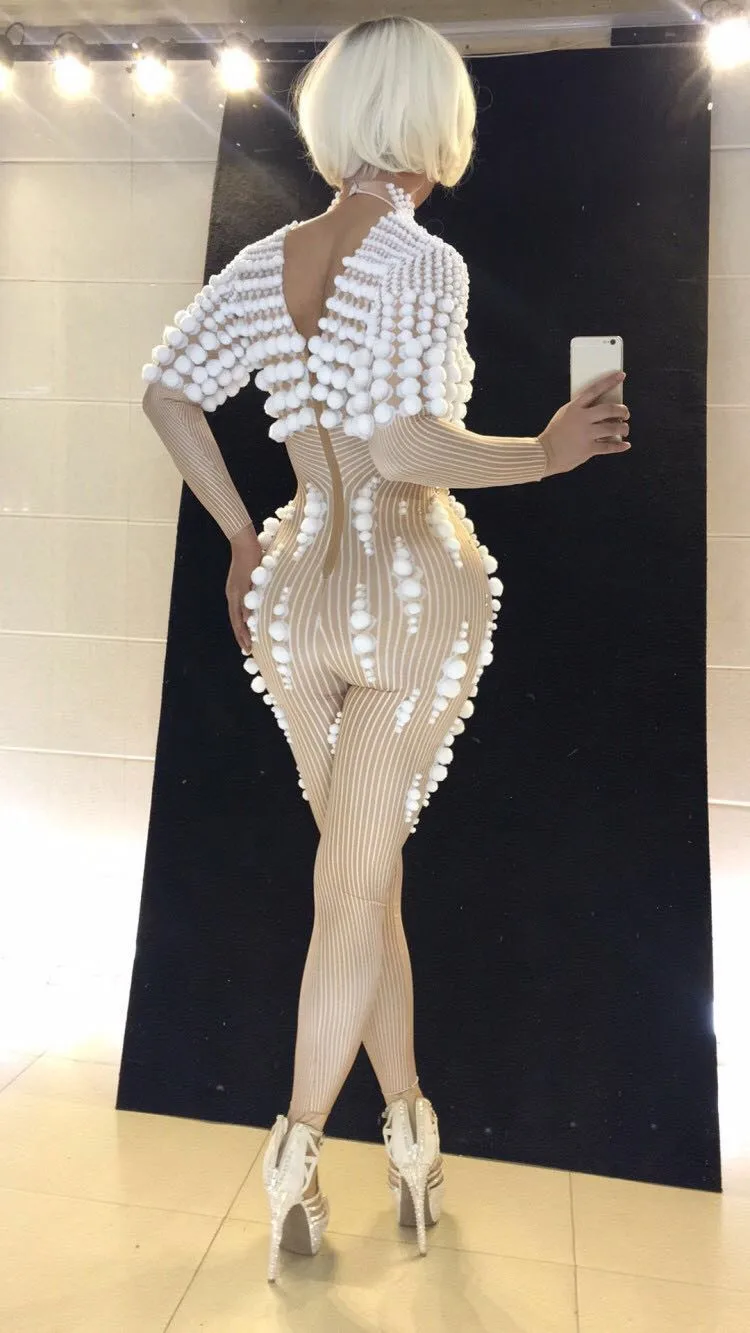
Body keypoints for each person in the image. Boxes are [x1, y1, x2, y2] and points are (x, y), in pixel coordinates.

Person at [141, 15, 630, 1282]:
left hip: (295, 592)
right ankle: (297, 1145)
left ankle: (411, 1130)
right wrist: (543, 453)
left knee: (364, 876)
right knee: (356, 885)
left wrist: (241, 535)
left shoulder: (271, 259)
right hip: (407, 593)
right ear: (433, 122)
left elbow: (168, 391)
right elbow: (407, 447)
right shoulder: (422, 261)